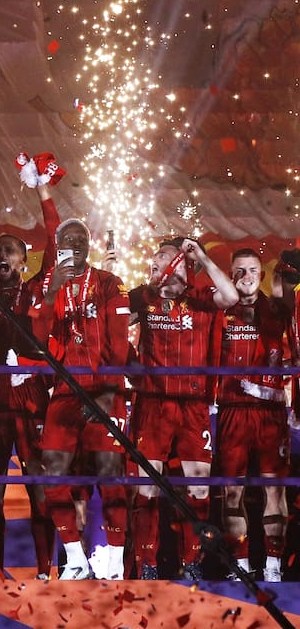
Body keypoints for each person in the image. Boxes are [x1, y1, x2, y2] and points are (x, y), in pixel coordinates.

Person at [27, 219, 131, 581]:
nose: (74, 243)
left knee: (109, 472)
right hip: (66, 389)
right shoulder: (48, 285)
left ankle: (115, 563)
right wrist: (52, 289)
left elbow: (120, 344)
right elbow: (37, 341)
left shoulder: (108, 282)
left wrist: (108, 392)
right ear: (57, 245)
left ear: (90, 244)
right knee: (52, 469)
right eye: (66, 239)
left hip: (104, 388)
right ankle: (75, 558)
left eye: (80, 238)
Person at [129, 237, 236, 580]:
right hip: (153, 404)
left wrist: (201, 255)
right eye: (153, 257)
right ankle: (146, 563)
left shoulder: (201, 300)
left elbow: (231, 296)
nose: (153, 261)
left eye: (162, 256)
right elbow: (113, 325)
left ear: (179, 263)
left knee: (199, 486)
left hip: (192, 407)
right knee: (147, 485)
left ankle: (191, 562)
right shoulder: (143, 297)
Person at [0, 182, 59, 580]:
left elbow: (56, 244)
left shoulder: (37, 290)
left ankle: (44, 568)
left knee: (39, 485)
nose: (2, 254)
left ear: (25, 260)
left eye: (11, 250)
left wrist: (43, 193)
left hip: (31, 402)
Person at [216, 249, 288, 582]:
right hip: (232, 410)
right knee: (232, 492)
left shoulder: (277, 308)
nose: (246, 276)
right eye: (239, 270)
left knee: (275, 491)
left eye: (253, 270)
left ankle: (273, 566)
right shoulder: (221, 310)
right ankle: (241, 565)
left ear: (262, 273)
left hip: (270, 413)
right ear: (230, 274)